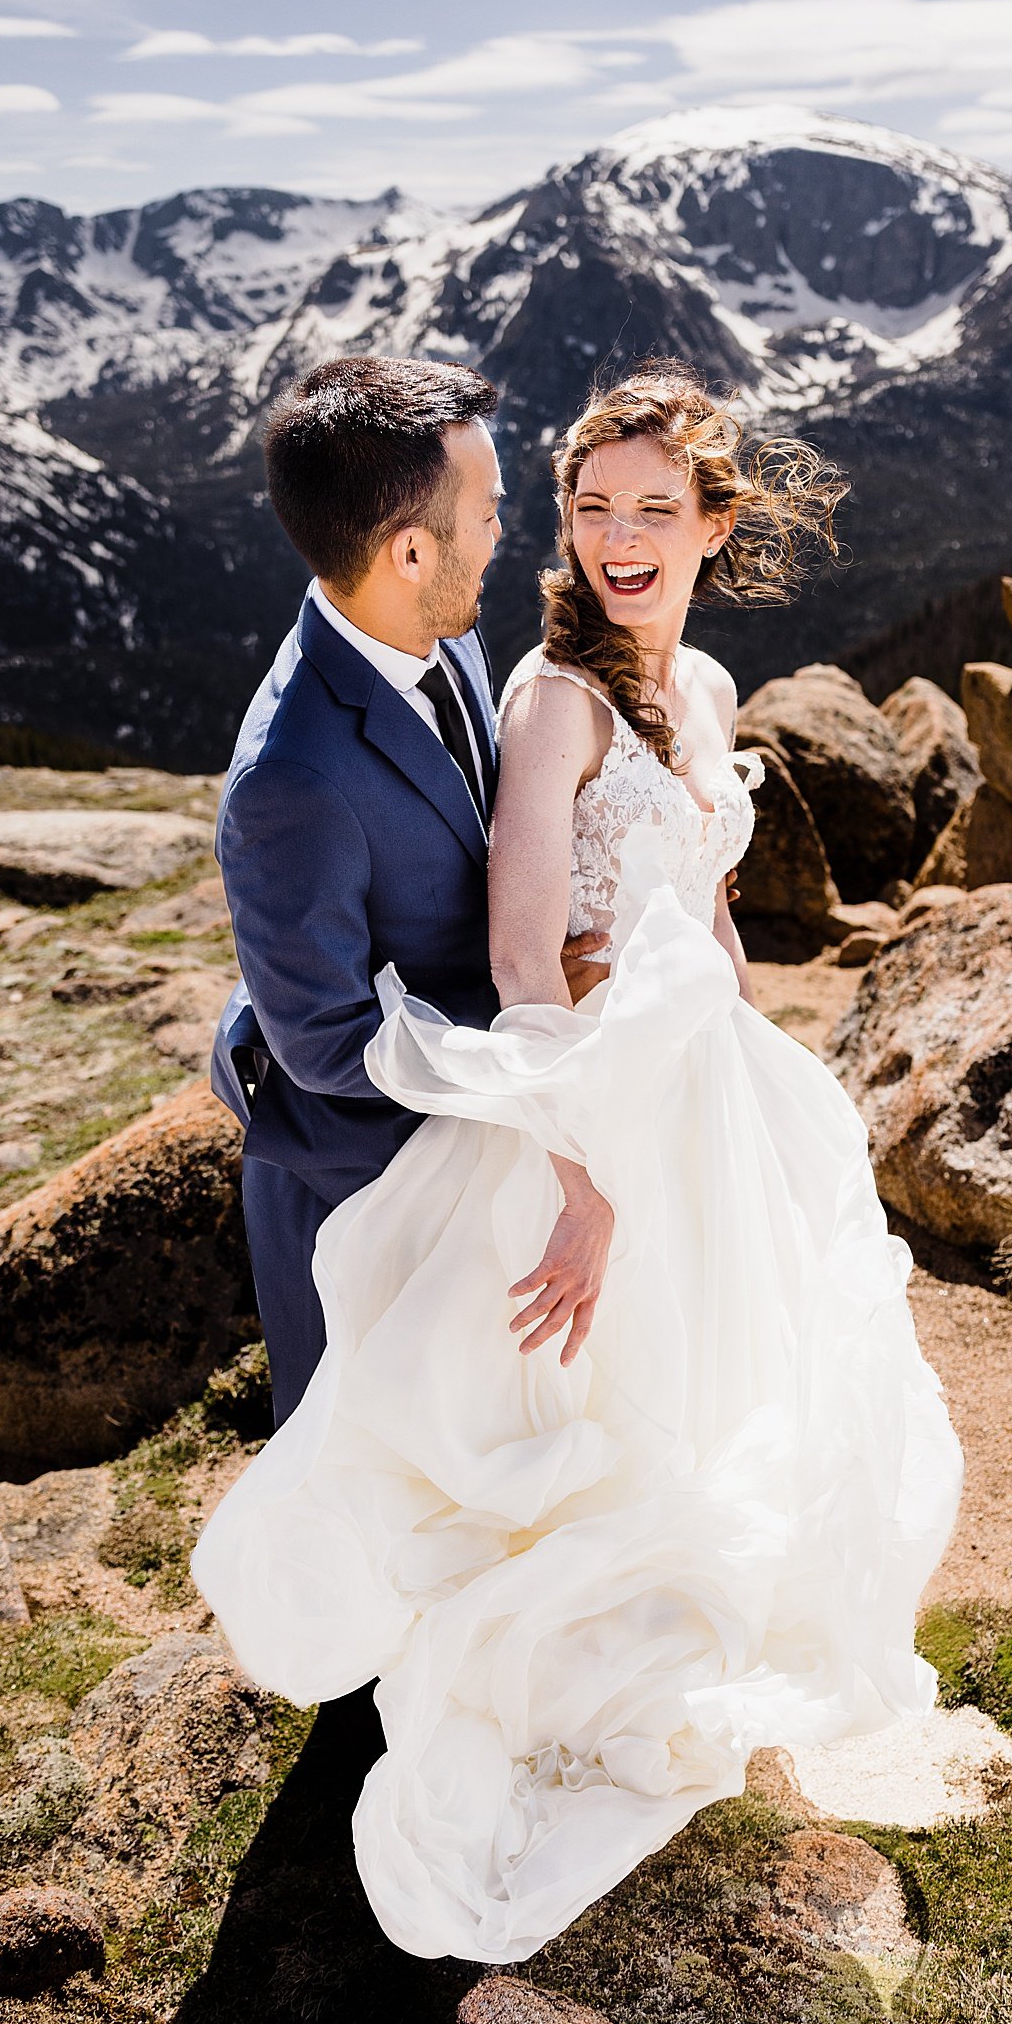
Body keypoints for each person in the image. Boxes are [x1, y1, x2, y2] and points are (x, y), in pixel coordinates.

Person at [195, 364, 963, 1965]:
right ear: (412, 546)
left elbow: (694, 891)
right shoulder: (311, 767)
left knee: (670, 1381)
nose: (569, 540)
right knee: (406, 1427)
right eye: (552, 507)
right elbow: (381, 1012)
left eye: (648, 510)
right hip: (387, 1134)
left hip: (656, 1080)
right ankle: (381, 1705)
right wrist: (571, 1132)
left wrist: (724, 1049)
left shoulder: (543, 660)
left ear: (715, 526)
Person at [210, 354, 606, 1422]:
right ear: (409, 550)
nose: (502, 528)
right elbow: (327, 1045)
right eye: (484, 510)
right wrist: (523, 1040)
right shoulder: (288, 782)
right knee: (368, 1487)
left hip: (473, 1126)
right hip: (366, 1183)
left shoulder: (441, 618)